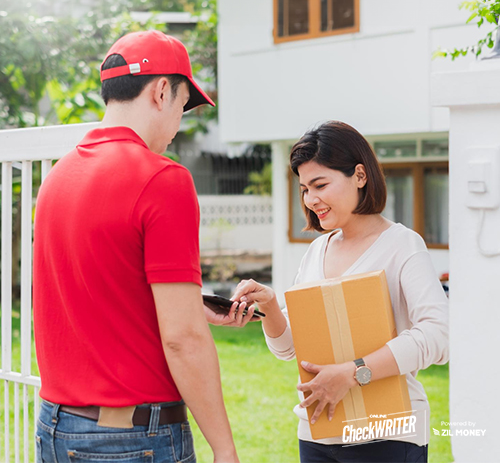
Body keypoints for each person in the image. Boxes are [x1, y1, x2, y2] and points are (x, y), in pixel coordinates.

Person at [33, 30, 253, 463]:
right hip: (132, 440)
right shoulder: (163, 180)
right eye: (183, 106)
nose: (178, 124)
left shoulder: (58, 177)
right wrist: (224, 449)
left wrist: (190, 305)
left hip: (56, 427)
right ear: (161, 90)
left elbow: (93, 292)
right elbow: (183, 340)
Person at [232, 121, 449, 463]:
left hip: (384, 434)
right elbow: (289, 348)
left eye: (320, 184)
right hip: (317, 433)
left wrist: (352, 372)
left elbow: (439, 335)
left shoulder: (402, 245)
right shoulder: (317, 250)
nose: (311, 199)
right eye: (304, 188)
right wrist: (271, 307)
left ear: (360, 176)